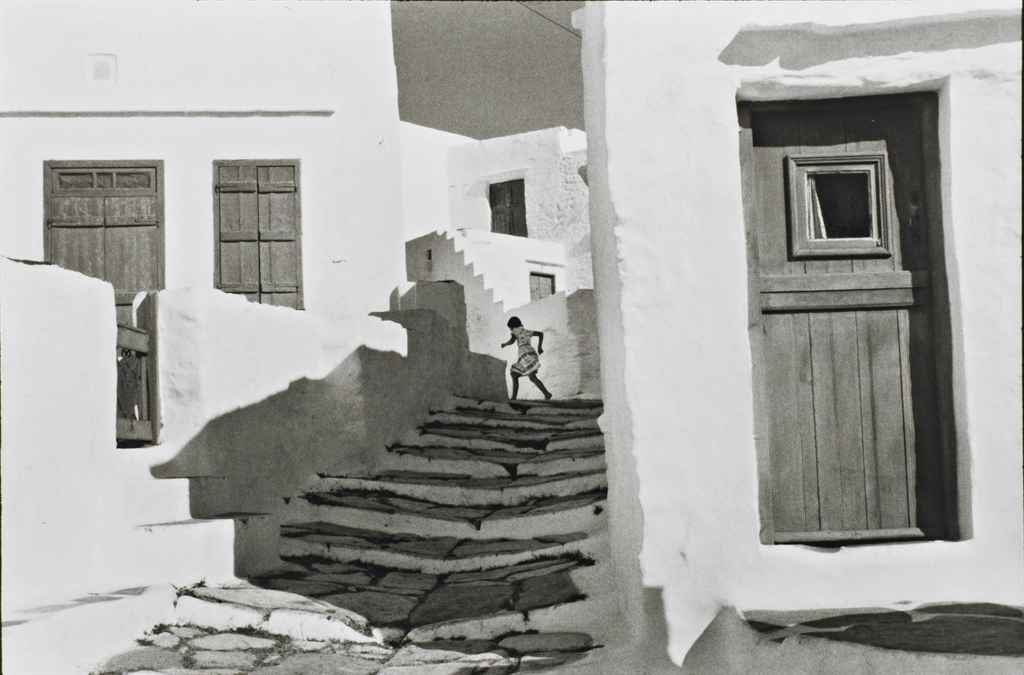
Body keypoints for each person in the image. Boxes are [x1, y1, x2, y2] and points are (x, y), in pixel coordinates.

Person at [501, 316, 553, 400]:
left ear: (513, 326)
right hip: (531, 354)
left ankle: (514, 398)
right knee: (530, 377)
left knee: (515, 374)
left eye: (510, 328)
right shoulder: (526, 331)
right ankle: (547, 394)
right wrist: (539, 347)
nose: (510, 330)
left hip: (525, 355)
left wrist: (504, 344)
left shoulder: (515, 331)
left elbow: (512, 341)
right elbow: (540, 334)